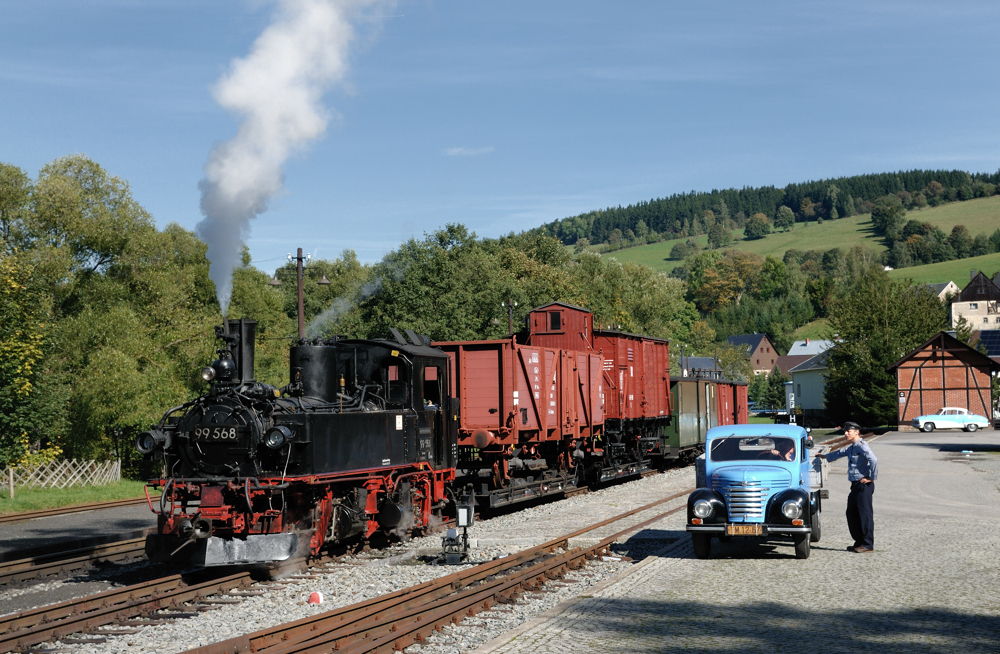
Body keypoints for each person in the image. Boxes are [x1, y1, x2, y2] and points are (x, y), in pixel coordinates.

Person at [818, 421, 878, 553]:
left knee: (865, 514)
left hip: (864, 485)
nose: (845, 433)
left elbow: (874, 460)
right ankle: (859, 541)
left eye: (848, 431)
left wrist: (872, 477)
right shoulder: (852, 447)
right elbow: (839, 453)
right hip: (855, 485)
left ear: (856, 432)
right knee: (851, 513)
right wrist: (824, 456)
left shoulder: (862, 446)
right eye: (845, 431)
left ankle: (867, 544)